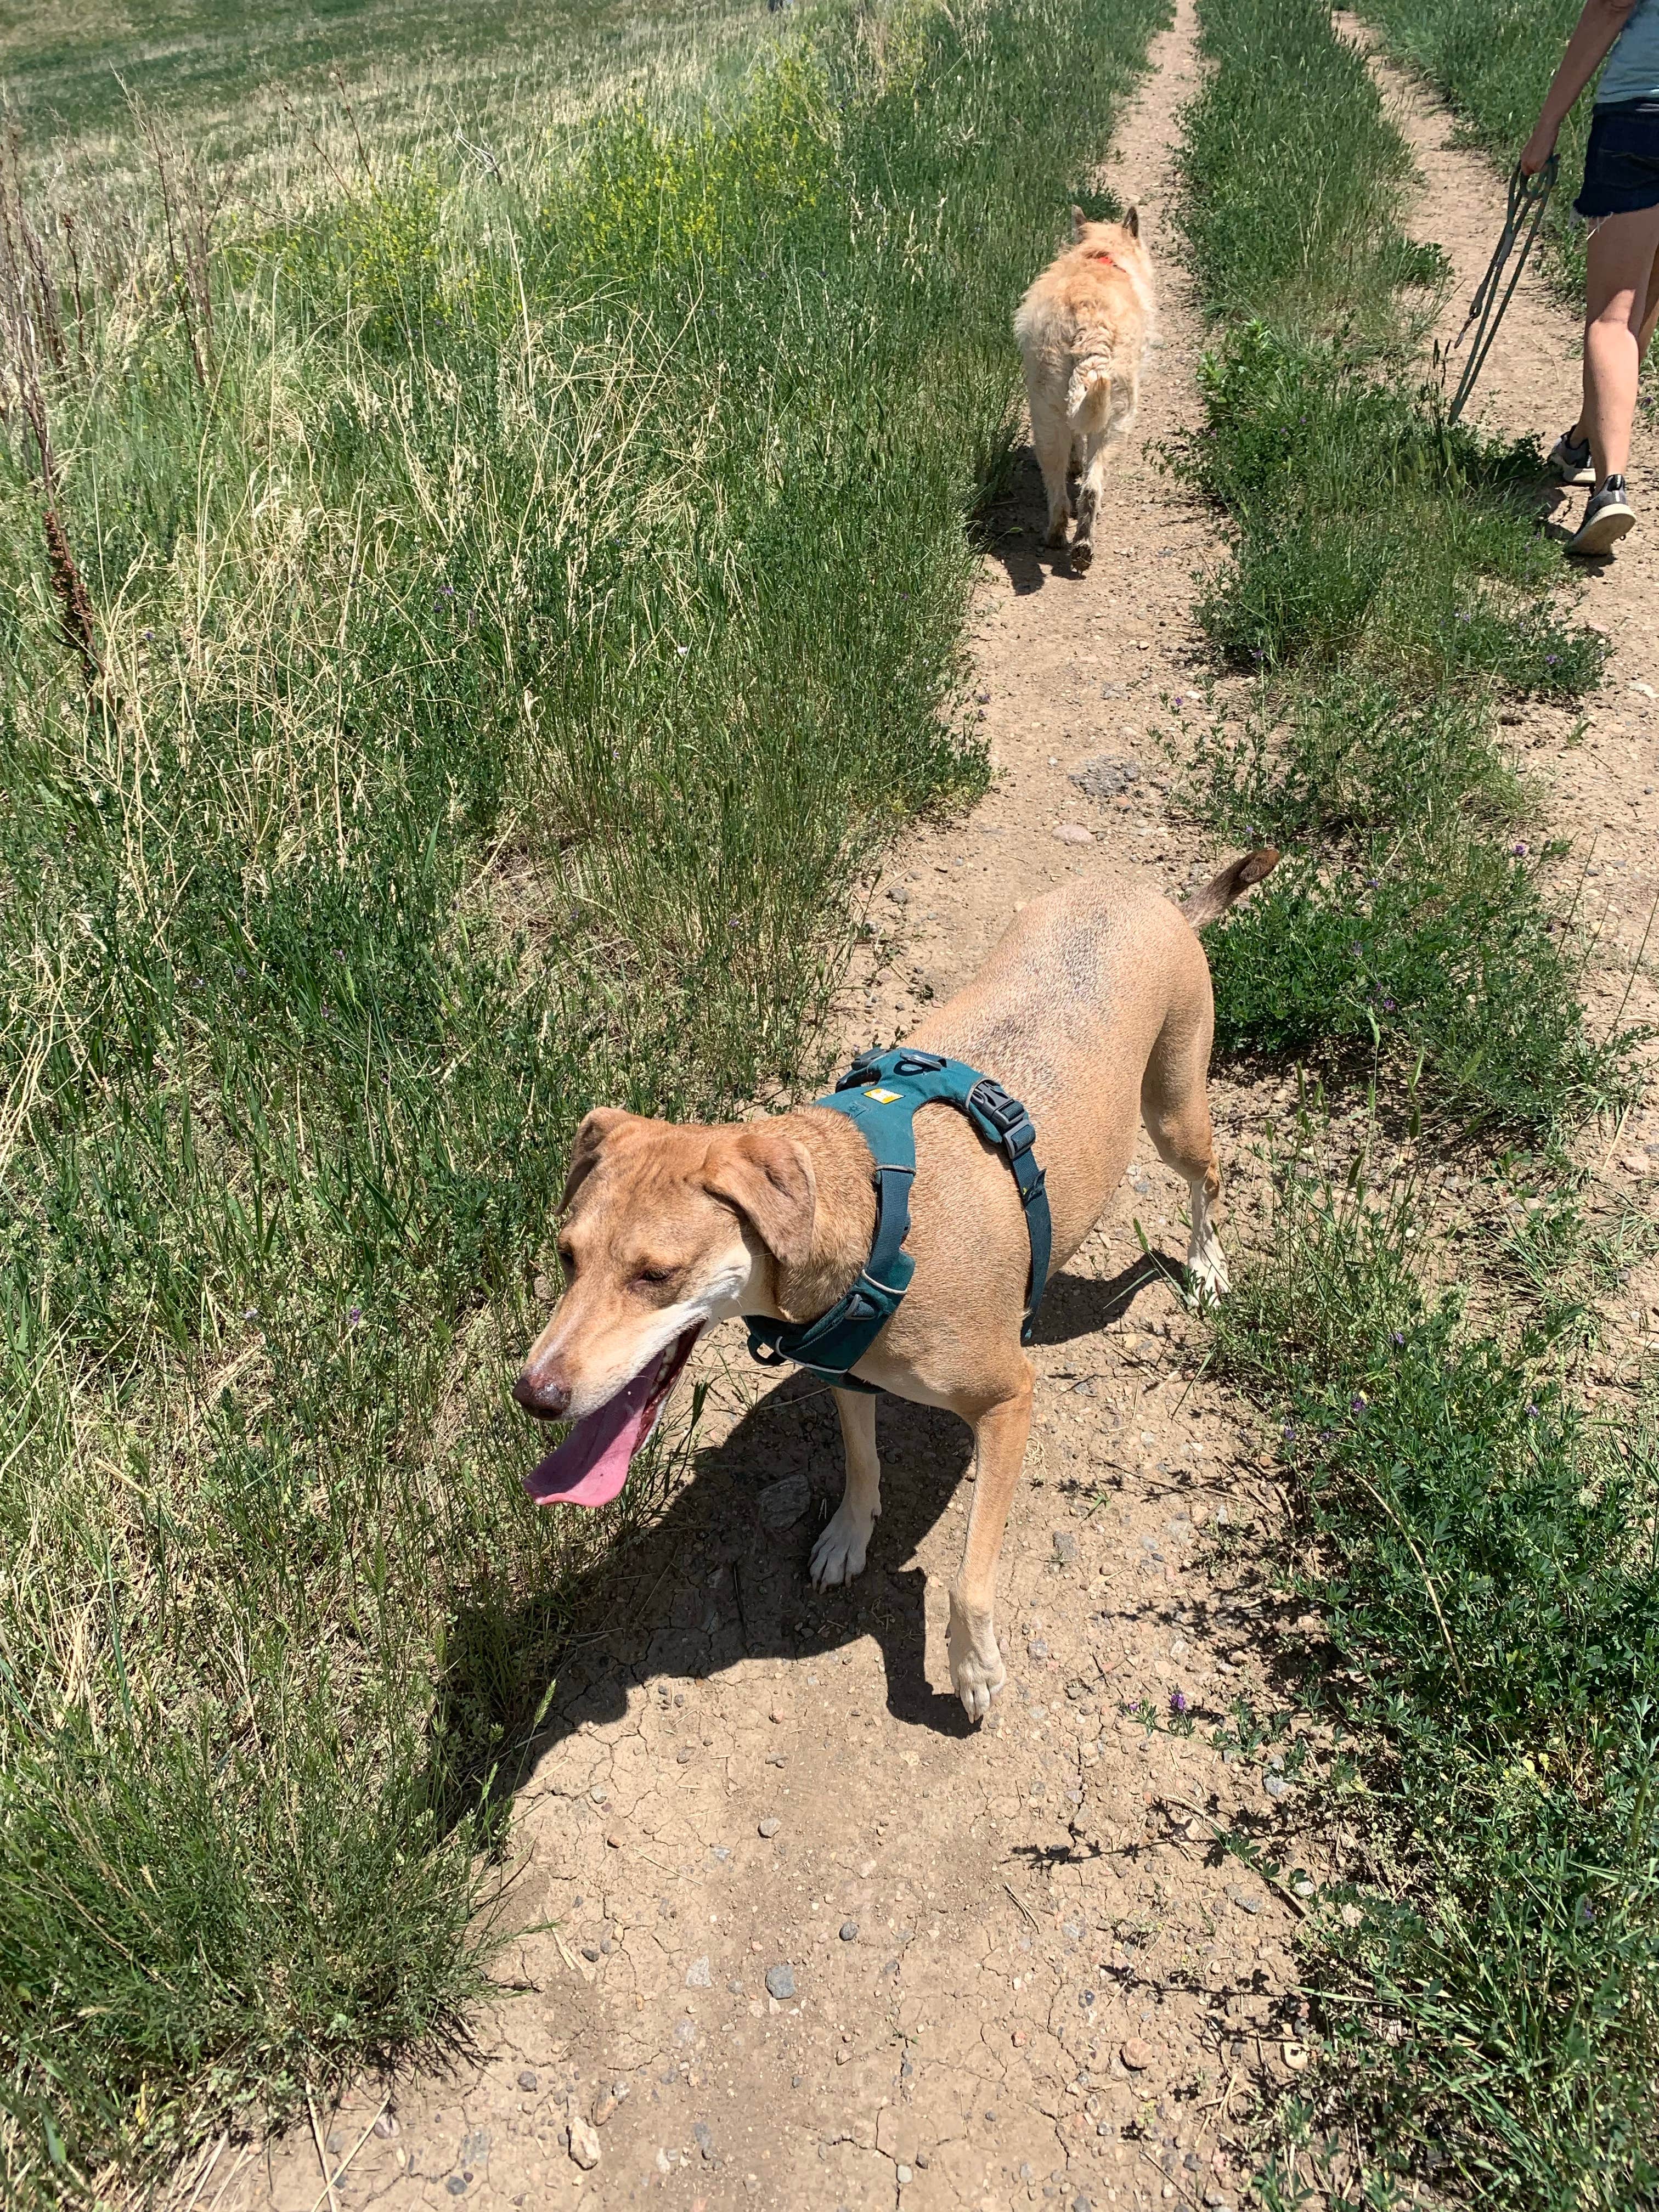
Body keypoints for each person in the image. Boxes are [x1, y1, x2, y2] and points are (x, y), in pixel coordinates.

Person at [1523, 0, 1659, 555]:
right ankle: (1581, 443)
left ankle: (1610, 489)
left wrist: (1547, 124)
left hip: (1641, 116)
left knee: (1614, 315)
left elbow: (1609, 6)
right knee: (1647, 303)